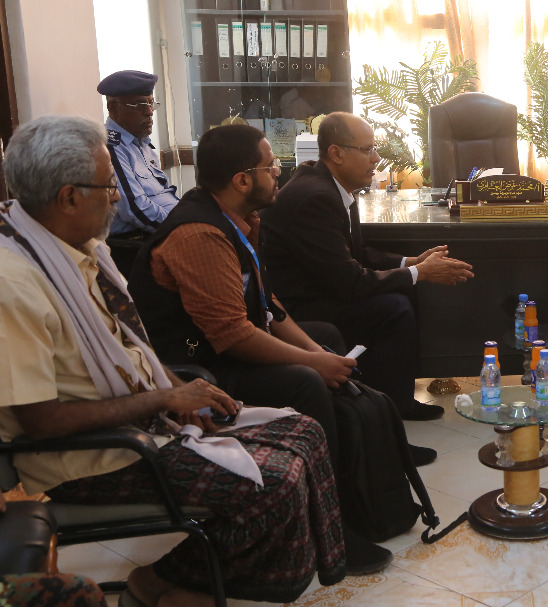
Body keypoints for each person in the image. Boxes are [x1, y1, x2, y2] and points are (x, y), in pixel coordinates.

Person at [0, 115, 352, 606]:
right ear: (68, 198)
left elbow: (134, 349)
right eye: (108, 186)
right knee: (275, 482)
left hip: (142, 422)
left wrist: (176, 392)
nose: (117, 197)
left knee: (305, 432)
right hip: (95, 461)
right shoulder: (15, 283)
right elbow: (41, 422)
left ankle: (176, 581)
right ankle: (173, 583)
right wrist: (164, 399)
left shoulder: (78, 252)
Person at [126, 124, 437, 462]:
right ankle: (331, 474)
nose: (278, 172)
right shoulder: (201, 234)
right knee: (307, 379)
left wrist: (315, 351)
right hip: (197, 364)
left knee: (325, 337)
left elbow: (267, 300)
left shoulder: (240, 218)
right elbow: (233, 335)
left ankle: (363, 451)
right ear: (242, 181)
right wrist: (313, 362)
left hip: (229, 341)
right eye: (269, 166)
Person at [260, 112, 474, 421]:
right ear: (336, 153)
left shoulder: (330, 184)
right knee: (394, 308)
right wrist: (419, 272)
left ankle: (392, 399)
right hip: (298, 307)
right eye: (368, 150)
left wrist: (409, 263)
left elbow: (353, 254)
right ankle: (390, 409)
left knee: (403, 292)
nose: (376, 158)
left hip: (320, 287)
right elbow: (349, 282)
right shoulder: (315, 197)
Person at [98, 70, 179, 238]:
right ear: (113, 108)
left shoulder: (142, 143)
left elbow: (164, 192)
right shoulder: (111, 149)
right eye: (140, 105)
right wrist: (181, 227)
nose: (149, 112)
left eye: (151, 103)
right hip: (139, 239)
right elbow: (135, 209)